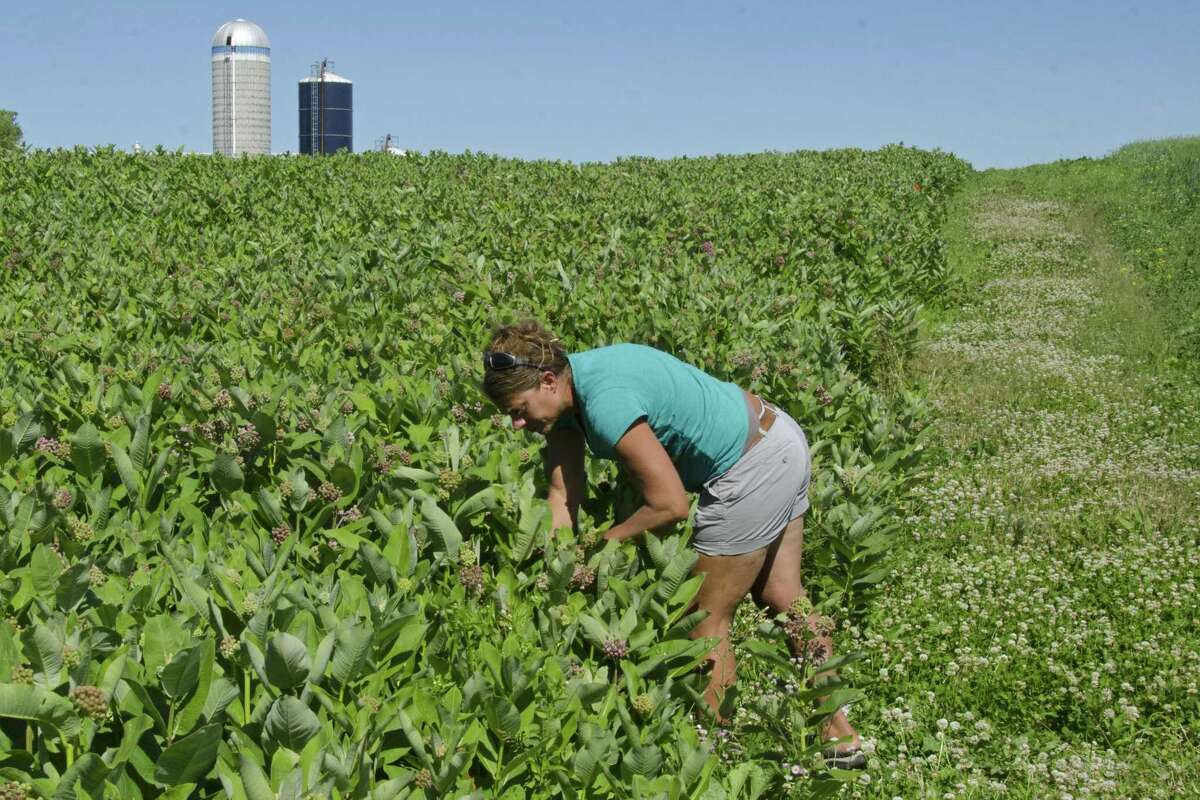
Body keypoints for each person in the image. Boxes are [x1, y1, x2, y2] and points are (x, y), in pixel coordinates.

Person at [481, 320, 865, 769]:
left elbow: (669, 506)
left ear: (547, 381)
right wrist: (552, 567)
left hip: (748, 467)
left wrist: (601, 543)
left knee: (703, 619)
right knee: (785, 597)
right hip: (776, 436)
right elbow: (563, 497)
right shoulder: (568, 395)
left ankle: (716, 750)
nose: (515, 423)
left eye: (519, 408)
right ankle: (839, 733)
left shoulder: (604, 403)